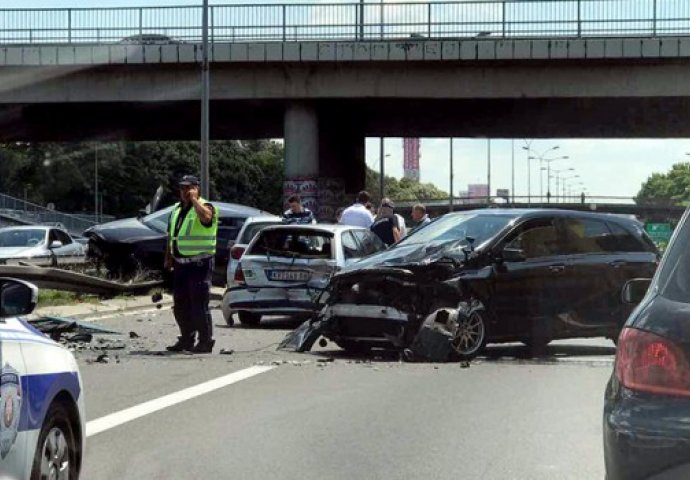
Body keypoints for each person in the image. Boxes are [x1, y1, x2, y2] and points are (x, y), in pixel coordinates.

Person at [165, 175, 218, 354]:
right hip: (181, 264)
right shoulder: (176, 209)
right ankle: (186, 339)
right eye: (183, 188)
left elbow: (206, 218)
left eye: (189, 188)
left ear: (197, 189)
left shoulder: (206, 206)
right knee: (180, 304)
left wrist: (195, 200)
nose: (185, 192)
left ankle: (205, 341)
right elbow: (172, 235)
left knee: (199, 304)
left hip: (200, 263)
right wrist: (169, 256)